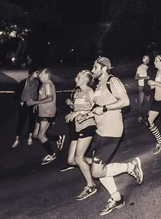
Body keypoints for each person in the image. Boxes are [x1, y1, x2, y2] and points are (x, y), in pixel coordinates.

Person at [78, 57, 143, 216]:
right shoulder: (99, 84)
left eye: (95, 67)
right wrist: (85, 115)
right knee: (96, 168)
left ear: (104, 68)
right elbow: (97, 108)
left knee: (96, 171)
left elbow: (125, 101)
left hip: (112, 131)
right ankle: (117, 199)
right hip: (100, 131)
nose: (93, 69)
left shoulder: (113, 81)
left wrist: (105, 108)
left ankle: (131, 167)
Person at [61, 70, 99, 201]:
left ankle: (91, 185)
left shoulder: (89, 91)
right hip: (77, 127)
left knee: (78, 158)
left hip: (88, 125)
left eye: (78, 77)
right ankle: (97, 162)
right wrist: (72, 110)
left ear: (85, 80)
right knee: (71, 160)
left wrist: (78, 113)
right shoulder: (77, 93)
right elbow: (77, 109)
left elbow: (96, 109)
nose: (76, 79)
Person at [27, 68, 65, 165]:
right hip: (42, 112)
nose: (39, 76)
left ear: (47, 75)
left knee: (40, 135)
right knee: (36, 135)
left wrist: (35, 102)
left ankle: (51, 154)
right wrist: (37, 104)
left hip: (48, 113)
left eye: (42, 74)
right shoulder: (44, 84)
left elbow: (49, 97)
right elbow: (44, 97)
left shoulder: (48, 84)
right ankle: (58, 138)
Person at [12, 69, 39, 148]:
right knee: (21, 121)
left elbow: (38, 93)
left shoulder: (37, 82)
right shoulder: (24, 82)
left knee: (32, 121)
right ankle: (17, 139)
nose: (37, 74)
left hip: (33, 104)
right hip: (24, 104)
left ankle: (30, 137)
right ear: (31, 73)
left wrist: (37, 102)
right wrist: (20, 101)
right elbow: (16, 94)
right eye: (36, 72)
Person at [135, 55, 152, 123]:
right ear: (143, 60)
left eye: (148, 59)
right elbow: (136, 77)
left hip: (147, 86)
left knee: (147, 101)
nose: (148, 60)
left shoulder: (148, 67)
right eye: (146, 59)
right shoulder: (140, 67)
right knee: (141, 102)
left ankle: (147, 116)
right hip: (141, 86)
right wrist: (145, 77)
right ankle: (140, 116)